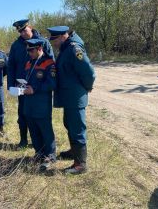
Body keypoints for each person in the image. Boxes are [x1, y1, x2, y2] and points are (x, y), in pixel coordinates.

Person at [47, 26, 96, 174]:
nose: (53, 43)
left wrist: (87, 87)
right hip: (69, 96)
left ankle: (80, 164)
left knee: (77, 128)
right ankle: (74, 152)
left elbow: (89, 72)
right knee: (69, 124)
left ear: (63, 36)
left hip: (75, 97)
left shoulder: (74, 49)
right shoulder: (66, 47)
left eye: (54, 40)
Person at [8, 19, 54, 148]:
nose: (22, 33)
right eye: (20, 31)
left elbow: (51, 63)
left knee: (41, 116)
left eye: (24, 30)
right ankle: (23, 140)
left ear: (30, 27)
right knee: (23, 114)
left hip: (39, 86)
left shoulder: (43, 42)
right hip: (21, 85)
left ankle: (43, 144)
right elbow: (11, 65)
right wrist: (11, 85)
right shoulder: (16, 45)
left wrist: (47, 85)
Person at [23, 39, 57, 171]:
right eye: (28, 50)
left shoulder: (49, 63)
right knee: (33, 129)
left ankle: (50, 156)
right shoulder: (28, 62)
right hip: (29, 103)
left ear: (39, 49)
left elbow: (52, 84)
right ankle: (39, 153)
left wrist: (34, 89)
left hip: (42, 103)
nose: (29, 53)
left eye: (31, 50)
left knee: (45, 130)